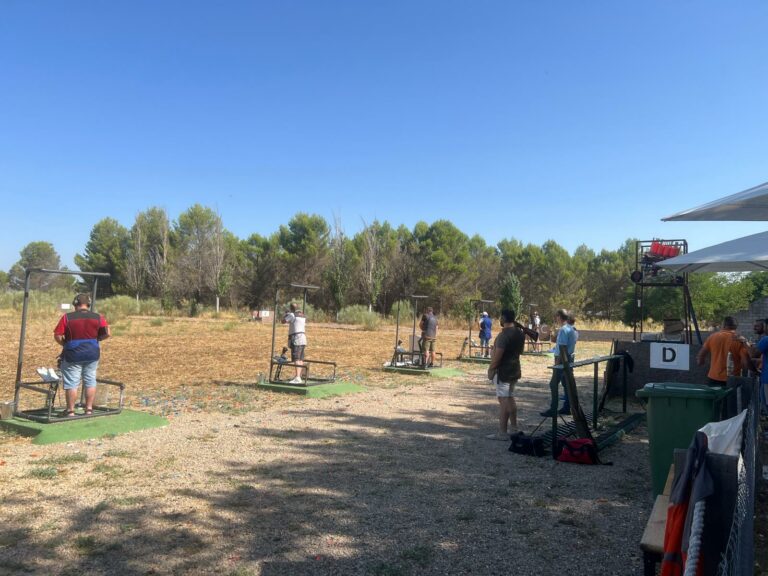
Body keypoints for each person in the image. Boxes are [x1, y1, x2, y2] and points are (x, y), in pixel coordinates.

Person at [53, 293, 110, 417]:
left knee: (72, 383)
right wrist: (97, 339)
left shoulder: (67, 317)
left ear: (75, 304)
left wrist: (65, 344)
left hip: (73, 354)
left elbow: (57, 335)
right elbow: (107, 333)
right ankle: (89, 409)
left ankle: (70, 411)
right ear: (88, 304)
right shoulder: (98, 317)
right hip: (92, 354)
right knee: (90, 381)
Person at [486, 309, 525, 440]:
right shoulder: (520, 333)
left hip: (503, 372)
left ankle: (502, 433)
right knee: (510, 398)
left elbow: (498, 356)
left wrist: (491, 369)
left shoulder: (503, 335)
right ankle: (514, 428)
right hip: (514, 370)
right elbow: (520, 351)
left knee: (503, 402)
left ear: (503, 318)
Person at [540, 309, 578, 417]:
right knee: (566, 384)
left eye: (556, 316)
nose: (556, 319)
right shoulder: (571, 329)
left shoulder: (563, 330)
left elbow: (562, 348)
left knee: (553, 384)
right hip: (568, 358)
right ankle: (567, 407)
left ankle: (553, 409)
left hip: (562, 359)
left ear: (559, 317)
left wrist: (557, 364)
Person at [696, 316, 754, 386]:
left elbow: (701, 356)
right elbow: (746, 362)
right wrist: (755, 371)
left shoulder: (712, 337)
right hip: (732, 379)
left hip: (714, 377)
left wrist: (701, 362)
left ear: (723, 325)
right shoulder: (740, 340)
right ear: (736, 327)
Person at [282, 303, 307, 383]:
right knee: (300, 358)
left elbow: (283, 321)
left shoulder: (292, 315)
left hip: (296, 338)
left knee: (296, 358)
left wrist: (286, 314)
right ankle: (298, 376)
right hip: (303, 338)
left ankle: (298, 377)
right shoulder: (303, 315)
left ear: (291, 308)